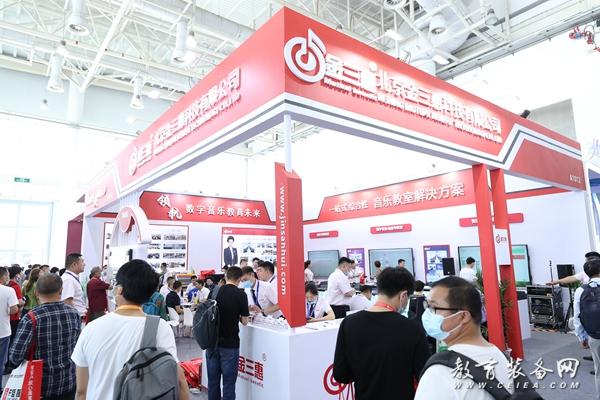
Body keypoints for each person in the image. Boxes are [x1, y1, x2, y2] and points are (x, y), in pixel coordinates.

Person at [71, 259, 189, 400]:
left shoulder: (91, 328)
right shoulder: (159, 327)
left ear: (119, 290)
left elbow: (81, 391)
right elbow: (179, 380)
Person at [415, 276, 518, 400]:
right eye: (427, 306)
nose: (427, 313)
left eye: (433, 308)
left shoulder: (440, 373)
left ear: (463, 316)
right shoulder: (504, 359)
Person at [334, 267, 429, 399]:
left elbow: (341, 375)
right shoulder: (412, 328)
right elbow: (424, 377)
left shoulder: (349, 323)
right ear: (403, 295)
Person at [10, 273, 81, 400]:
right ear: (61, 290)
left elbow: (15, 357)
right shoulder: (74, 313)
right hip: (68, 382)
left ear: (36, 292)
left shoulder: (31, 318)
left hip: (38, 386)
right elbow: (77, 346)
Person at [206, 267, 249, 400]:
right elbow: (245, 321)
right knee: (229, 384)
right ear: (240, 279)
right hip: (230, 344)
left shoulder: (214, 292)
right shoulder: (241, 295)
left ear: (226, 276)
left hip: (212, 343)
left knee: (213, 383)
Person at [574, 258, 600, 393]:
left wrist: (582, 337)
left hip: (594, 335)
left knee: (598, 370)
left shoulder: (580, 290)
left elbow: (577, 317)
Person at [0, 267, 18, 383]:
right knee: (1, 361)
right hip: (3, 331)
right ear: (3, 276)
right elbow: (14, 309)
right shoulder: (9, 290)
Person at [61, 253, 87, 318]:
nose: (84, 264)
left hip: (78, 316)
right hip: (75, 317)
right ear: (74, 264)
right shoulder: (68, 279)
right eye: (82, 261)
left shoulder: (71, 278)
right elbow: (67, 302)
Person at [7, 266, 24, 343]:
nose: (21, 275)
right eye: (20, 273)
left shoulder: (6, 285)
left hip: (5, 315)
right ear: (17, 275)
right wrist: (23, 301)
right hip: (14, 316)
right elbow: (19, 302)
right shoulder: (16, 286)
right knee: (12, 338)